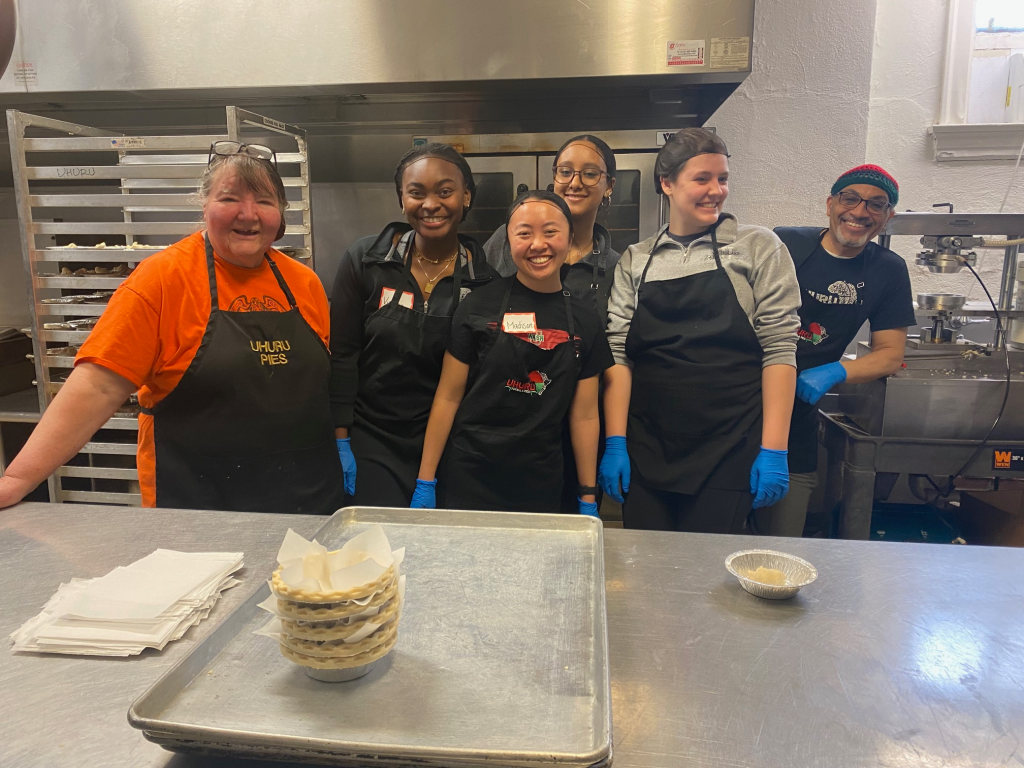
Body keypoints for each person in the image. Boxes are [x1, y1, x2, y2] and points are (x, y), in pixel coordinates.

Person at [0, 142, 344, 513]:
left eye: (264, 200)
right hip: (197, 503)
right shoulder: (162, 280)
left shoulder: (303, 283)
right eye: (229, 199)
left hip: (306, 498)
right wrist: (17, 480)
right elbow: (97, 386)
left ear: (281, 212)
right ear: (204, 205)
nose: (249, 214)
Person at [598, 128, 801, 533]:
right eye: (702, 179)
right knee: (645, 562)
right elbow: (619, 353)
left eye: (722, 179)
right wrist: (616, 442)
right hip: (648, 445)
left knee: (707, 566)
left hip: (729, 446)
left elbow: (779, 348)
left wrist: (774, 449)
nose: (716, 191)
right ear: (667, 183)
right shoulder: (637, 259)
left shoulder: (758, 247)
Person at [412, 190, 614, 514]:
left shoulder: (586, 320)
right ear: (508, 242)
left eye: (550, 232)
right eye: (524, 234)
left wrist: (588, 495)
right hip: (469, 476)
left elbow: (585, 415)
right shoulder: (478, 306)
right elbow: (448, 397)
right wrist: (426, 480)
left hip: (541, 482)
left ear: (569, 239)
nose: (538, 244)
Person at [329, 143, 497, 507]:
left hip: (453, 443)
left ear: (466, 196)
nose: (430, 204)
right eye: (416, 193)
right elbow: (343, 355)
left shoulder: (485, 283)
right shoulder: (366, 261)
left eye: (445, 191)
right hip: (374, 438)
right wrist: (341, 439)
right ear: (401, 199)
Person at [758, 165, 915, 537]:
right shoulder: (785, 242)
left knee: (780, 539)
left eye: (876, 204)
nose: (860, 211)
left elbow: (890, 353)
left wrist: (835, 371)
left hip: (798, 415)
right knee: (716, 533)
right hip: (742, 401)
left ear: (888, 216)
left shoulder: (888, 270)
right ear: (830, 204)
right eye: (850, 198)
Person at [483, 134, 622, 513]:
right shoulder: (507, 244)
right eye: (565, 171)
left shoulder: (616, 267)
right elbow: (478, 318)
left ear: (609, 185)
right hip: (510, 422)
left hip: (582, 428)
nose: (575, 182)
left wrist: (616, 442)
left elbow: (616, 354)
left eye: (590, 173)